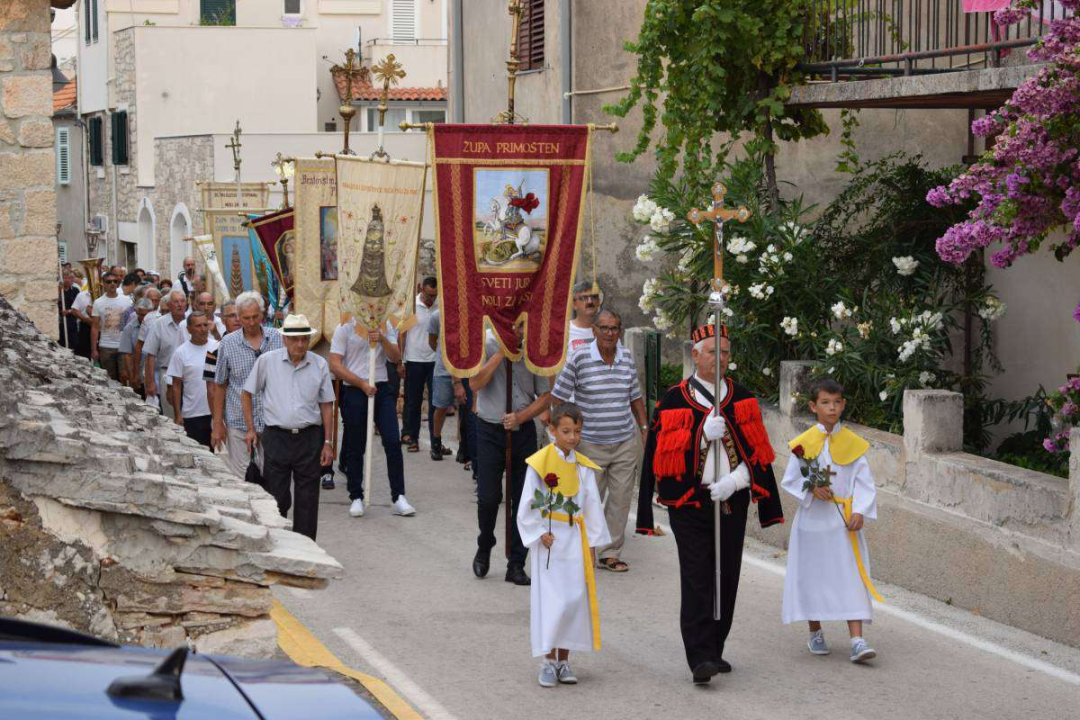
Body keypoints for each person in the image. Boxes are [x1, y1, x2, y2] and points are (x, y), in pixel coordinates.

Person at [636, 323, 784, 684]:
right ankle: (699, 655)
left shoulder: (743, 398)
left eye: (726, 352)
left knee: (727, 575)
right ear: (695, 355)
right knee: (698, 575)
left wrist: (737, 480)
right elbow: (660, 458)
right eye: (712, 351)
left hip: (731, 499)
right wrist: (702, 435)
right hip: (690, 503)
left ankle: (716, 647)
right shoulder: (674, 400)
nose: (720, 358)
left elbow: (759, 453)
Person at [781, 377, 880, 664]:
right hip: (813, 523)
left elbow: (865, 483)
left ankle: (857, 640)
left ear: (843, 404)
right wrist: (811, 487)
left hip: (842, 523)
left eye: (837, 402)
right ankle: (816, 632)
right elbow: (790, 479)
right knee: (813, 576)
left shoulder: (853, 444)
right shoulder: (803, 445)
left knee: (851, 576)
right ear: (813, 406)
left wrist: (860, 510)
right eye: (825, 402)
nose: (832, 408)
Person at [518, 403, 610, 688]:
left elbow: (592, 504)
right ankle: (547, 660)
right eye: (566, 431)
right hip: (550, 540)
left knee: (573, 600)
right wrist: (537, 532)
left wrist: (593, 543)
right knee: (552, 601)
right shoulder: (540, 463)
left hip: (575, 540)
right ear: (553, 430)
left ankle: (564, 659)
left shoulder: (583, 467)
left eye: (577, 431)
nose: (572, 437)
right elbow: (528, 503)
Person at [551, 309, 647, 573]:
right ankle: (581, 549)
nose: (609, 333)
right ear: (594, 330)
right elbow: (558, 397)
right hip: (589, 444)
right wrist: (561, 434)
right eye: (604, 328)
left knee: (621, 500)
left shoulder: (626, 358)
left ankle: (610, 553)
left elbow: (635, 397)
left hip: (625, 441)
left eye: (614, 328)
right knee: (587, 499)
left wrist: (644, 427)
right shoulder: (580, 358)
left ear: (620, 331)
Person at [470, 319, 552, 586]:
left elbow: (545, 396)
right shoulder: (485, 343)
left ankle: (516, 562)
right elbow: (475, 383)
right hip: (490, 430)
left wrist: (520, 417)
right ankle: (485, 543)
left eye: (523, 326)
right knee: (489, 497)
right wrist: (500, 355)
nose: (519, 332)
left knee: (524, 499)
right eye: (514, 327)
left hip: (523, 430)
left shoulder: (534, 351)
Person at [242, 314, 335, 540]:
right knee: (276, 496)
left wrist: (328, 442)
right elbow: (247, 393)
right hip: (276, 437)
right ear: (284, 340)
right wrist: (251, 429)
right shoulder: (267, 362)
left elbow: (327, 405)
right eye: (294, 339)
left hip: (309, 438)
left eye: (304, 339)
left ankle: (306, 547)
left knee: (308, 498)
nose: (300, 344)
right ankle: (279, 542)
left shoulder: (319, 364)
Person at [328, 317, 415, 518]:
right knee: (355, 445)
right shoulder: (344, 326)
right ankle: (356, 496)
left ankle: (399, 496)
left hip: (382, 388)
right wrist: (360, 383)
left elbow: (395, 357)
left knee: (393, 441)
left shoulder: (386, 324)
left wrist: (382, 338)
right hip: (355, 389)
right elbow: (335, 363)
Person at [212, 292, 283, 478]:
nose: (251, 322)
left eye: (255, 317)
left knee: (273, 476)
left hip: (272, 421)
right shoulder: (227, 343)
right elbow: (220, 385)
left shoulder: (277, 338)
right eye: (246, 318)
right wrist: (218, 424)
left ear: (262, 314)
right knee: (243, 478)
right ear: (238, 317)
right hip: (238, 422)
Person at [398, 277, 439, 453]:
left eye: (434, 296)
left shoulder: (440, 305)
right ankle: (411, 437)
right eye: (429, 295)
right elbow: (403, 334)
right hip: (414, 359)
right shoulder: (412, 307)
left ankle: (435, 440)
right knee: (412, 401)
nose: (431, 299)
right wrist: (401, 360)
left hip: (435, 360)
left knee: (435, 403)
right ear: (421, 289)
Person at [167, 312, 218, 448]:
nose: (203, 329)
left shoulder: (217, 347)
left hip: (217, 413)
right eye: (198, 326)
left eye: (205, 325)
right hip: (193, 414)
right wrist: (178, 414)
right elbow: (176, 385)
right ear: (188, 329)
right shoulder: (181, 352)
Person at [142, 289, 189, 415]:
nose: (180, 304)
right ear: (169, 305)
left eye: (182, 301)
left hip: (190, 374)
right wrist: (150, 382)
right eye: (176, 302)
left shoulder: (193, 322)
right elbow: (150, 354)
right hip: (168, 374)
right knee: (171, 414)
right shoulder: (159, 324)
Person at [91, 272, 134, 381]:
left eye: (115, 281)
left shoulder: (127, 301)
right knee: (109, 380)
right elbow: (95, 327)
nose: (112, 284)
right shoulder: (98, 302)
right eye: (109, 281)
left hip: (124, 346)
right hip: (105, 346)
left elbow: (132, 324)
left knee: (125, 378)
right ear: (104, 284)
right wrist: (94, 349)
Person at [426, 307, 457, 462]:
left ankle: (465, 449)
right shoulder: (437, 316)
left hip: (464, 369)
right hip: (443, 370)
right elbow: (432, 341)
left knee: (466, 410)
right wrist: (443, 355)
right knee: (441, 407)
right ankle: (436, 443)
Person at [203, 301, 241, 411]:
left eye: (240, 315)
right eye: (232, 316)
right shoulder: (213, 351)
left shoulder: (255, 347)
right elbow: (211, 390)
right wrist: (217, 421)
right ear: (223, 320)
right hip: (229, 413)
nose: (237, 319)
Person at [119, 297, 155, 398]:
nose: (144, 318)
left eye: (147, 314)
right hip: (139, 371)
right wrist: (132, 376)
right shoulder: (129, 328)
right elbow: (127, 354)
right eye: (141, 315)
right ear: (136, 312)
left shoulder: (156, 325)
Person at [567, 282, 602, 353]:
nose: (590, 301)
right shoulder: (565, 331)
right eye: (584, 298)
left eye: (594, 297)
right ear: (574, 304)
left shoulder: (608, 329)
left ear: (599, 301)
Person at [58, 270, 80, 350]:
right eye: (65, 278)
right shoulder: (58, 290)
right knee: (62, 342)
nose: (67, 280)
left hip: (72, 320)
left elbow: (78, 306)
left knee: (72, 342)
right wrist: (59, 291)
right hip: (60, 321)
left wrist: (69, 311)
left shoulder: (75, 291)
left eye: (69, 278)